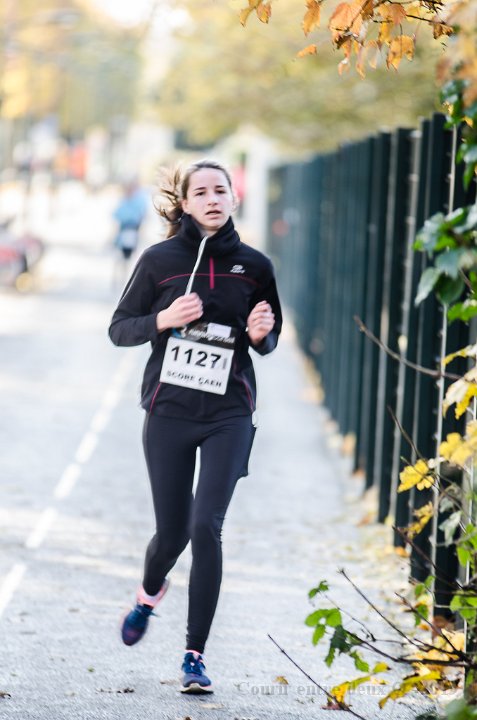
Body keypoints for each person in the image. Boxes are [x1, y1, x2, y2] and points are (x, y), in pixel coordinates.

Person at [108, 159, 282, 694]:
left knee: (206, 525)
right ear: (184, 203)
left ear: (233, 199)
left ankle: (194, 656)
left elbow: (268, 336)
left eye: (220, 191)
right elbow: (120, 329)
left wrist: (260, 334)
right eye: (200, 192)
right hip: (169, 413)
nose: (211, 199)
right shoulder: (158, 260)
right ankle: (148, 593)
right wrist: (164, 319)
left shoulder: (255, 266)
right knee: (174, 534)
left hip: (230, 412)